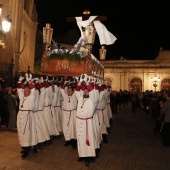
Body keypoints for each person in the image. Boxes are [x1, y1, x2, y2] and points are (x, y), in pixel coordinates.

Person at [75, 74, 96, 167]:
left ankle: (88, 157)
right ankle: (82, 155)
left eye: (87, 91)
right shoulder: (79, 99)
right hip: (79, 121)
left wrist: (87, 81)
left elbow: (93, 92)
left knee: (87, 139)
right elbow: (76, 90)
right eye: (84, 91)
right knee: (79, 138)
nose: (86, 92)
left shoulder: (92, 100)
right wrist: (80, 81)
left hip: (87, 122)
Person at [17, 74, 37, 158]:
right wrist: (19, 81)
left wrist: (29, 81)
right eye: (24, 90)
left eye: (26, 91)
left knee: (26, 132)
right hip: (20, 115)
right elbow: (18, 89)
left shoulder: (31, 97)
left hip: (27, 116)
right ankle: (24, 146)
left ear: (29, 92)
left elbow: (33, 89)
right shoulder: (22, 97)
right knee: (21, 131)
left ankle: (26, 149)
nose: (25, 92)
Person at [61, 80, 77, 149]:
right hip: (65, 114)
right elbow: (62, 90)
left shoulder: (74, 96)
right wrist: (65, 83)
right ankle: (68, 140)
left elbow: (77, 91)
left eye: (70, 90)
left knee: (72, 128)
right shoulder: (65, 96)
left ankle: (73, 142)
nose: (68, 92)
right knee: (65, 127)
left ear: (73, 91)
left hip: (72, 114)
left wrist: (75, 83)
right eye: (68, 90)